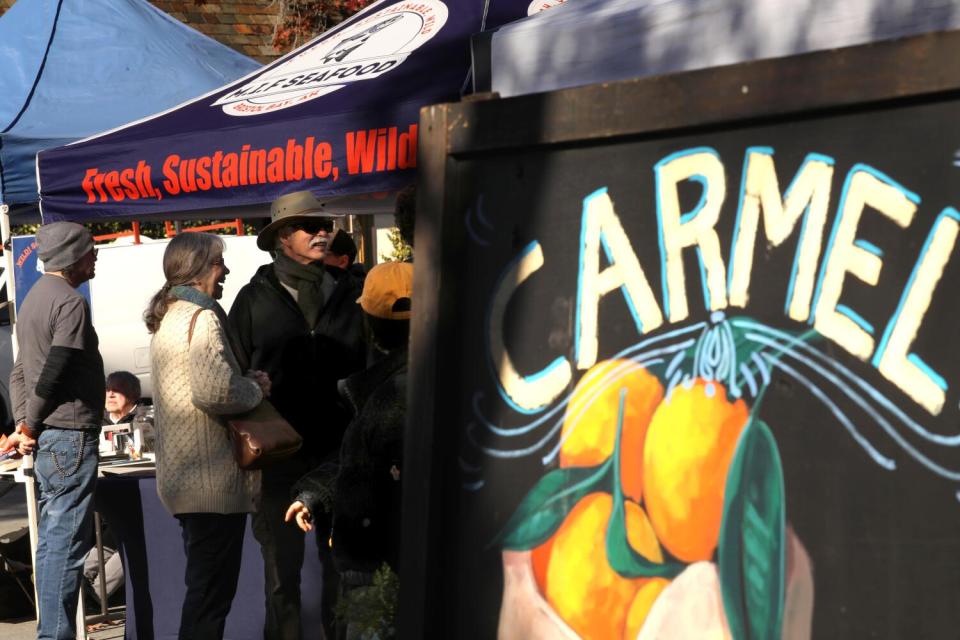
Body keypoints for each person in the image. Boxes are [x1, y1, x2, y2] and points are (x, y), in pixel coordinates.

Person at [229, 190, 366, 640]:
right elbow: (233, 375)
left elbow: (371, 367)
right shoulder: (252, 299)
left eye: (325, 226)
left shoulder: (351, 291)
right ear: (283, 237)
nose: (323, 233)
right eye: (311, 227)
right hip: (278, 459)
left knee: (340, 572)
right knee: (280, 578)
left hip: (340, 452)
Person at [145, 232, 271, 640]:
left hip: (187, 481)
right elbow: (215, 391)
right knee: (210, 599)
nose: (226, 270)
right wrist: (255, 388)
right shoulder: (203, 317)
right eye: (219, 262)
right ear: (198, 269)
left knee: (204, 594)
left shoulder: (172, 316)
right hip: (211, 481)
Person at [286, 261, 413, 637]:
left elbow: (362, 469)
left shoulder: (392, 392)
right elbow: (355, 455)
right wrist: (315, 492)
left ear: (371, 326)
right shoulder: (395, 384)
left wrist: (357, 564)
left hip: (384, 566)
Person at [6, 221, 103, 640]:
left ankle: (52, 633)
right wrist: (27, 423)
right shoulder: (70, 302)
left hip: (53, 435)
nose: (95, 256)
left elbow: (20, 372)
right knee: (64, 546)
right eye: (91, 250)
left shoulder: (34, 299)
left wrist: (23, 424)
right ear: (73, 256)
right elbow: (52, 371)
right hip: (70, 433)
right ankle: (54, 636)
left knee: (52, 543)